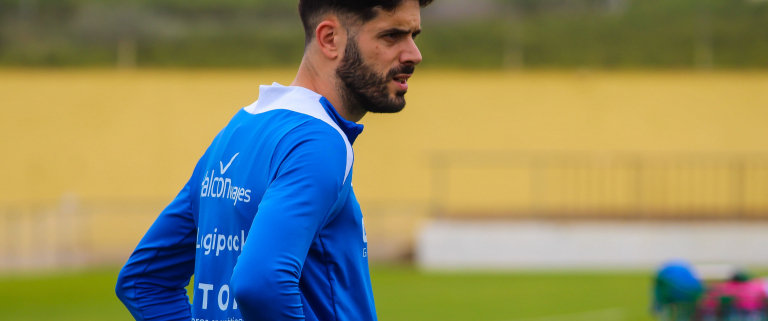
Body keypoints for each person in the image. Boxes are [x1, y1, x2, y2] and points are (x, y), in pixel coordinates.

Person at [114, 0, 433, 320]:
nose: (413, 54)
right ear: (330, 39)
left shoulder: (238, 129)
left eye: (413, 36)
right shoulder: (319, 142)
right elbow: (262, 283)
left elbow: (144, 281)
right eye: (391, 36)